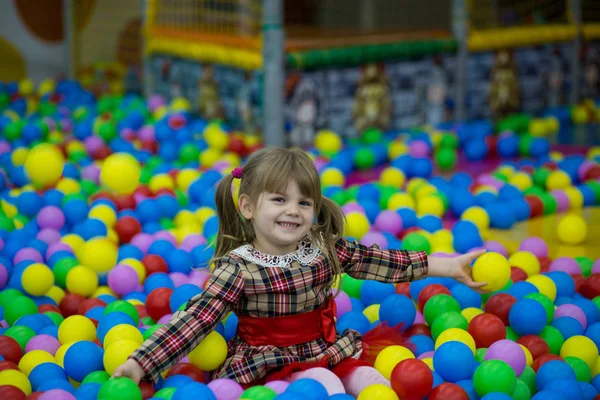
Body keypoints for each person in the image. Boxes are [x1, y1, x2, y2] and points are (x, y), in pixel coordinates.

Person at [114, 147, 487, 396]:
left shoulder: (323, 249)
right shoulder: (238, 267)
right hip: (265, 364)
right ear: (247, 207)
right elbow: (196, 319)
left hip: (324, 350)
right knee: (323, 386)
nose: (293, 210)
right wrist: (140, 362)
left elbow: (382, 261)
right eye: (279, 199)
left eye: (303, 202)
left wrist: (447, 265)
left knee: (373, 380)